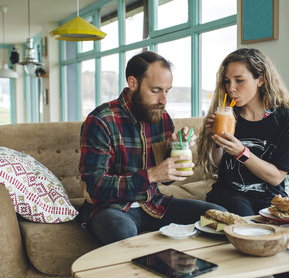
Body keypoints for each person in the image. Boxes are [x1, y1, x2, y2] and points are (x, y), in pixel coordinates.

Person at [79, 51, 226, 245]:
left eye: (167, 91)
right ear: (133, 83)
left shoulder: (162, 117)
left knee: (220, 217)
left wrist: (176, 148)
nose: (163, 100)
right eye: (156, 90)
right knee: (121, 232)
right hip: (111, 208)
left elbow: (165, 182)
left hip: (154, 204)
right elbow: (95, 187)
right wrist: (151, 175)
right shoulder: (101, 121)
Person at [197, 48, 289, 278]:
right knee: (240, 216)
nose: (231, 88)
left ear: (261, 79)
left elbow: (276, 178)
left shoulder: (285, 121)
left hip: (269, 197)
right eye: (226, 81)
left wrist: (242, 153)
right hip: (228, 193)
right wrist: (216, 141)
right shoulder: (227, 115)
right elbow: (215, 165)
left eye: (239, 80)